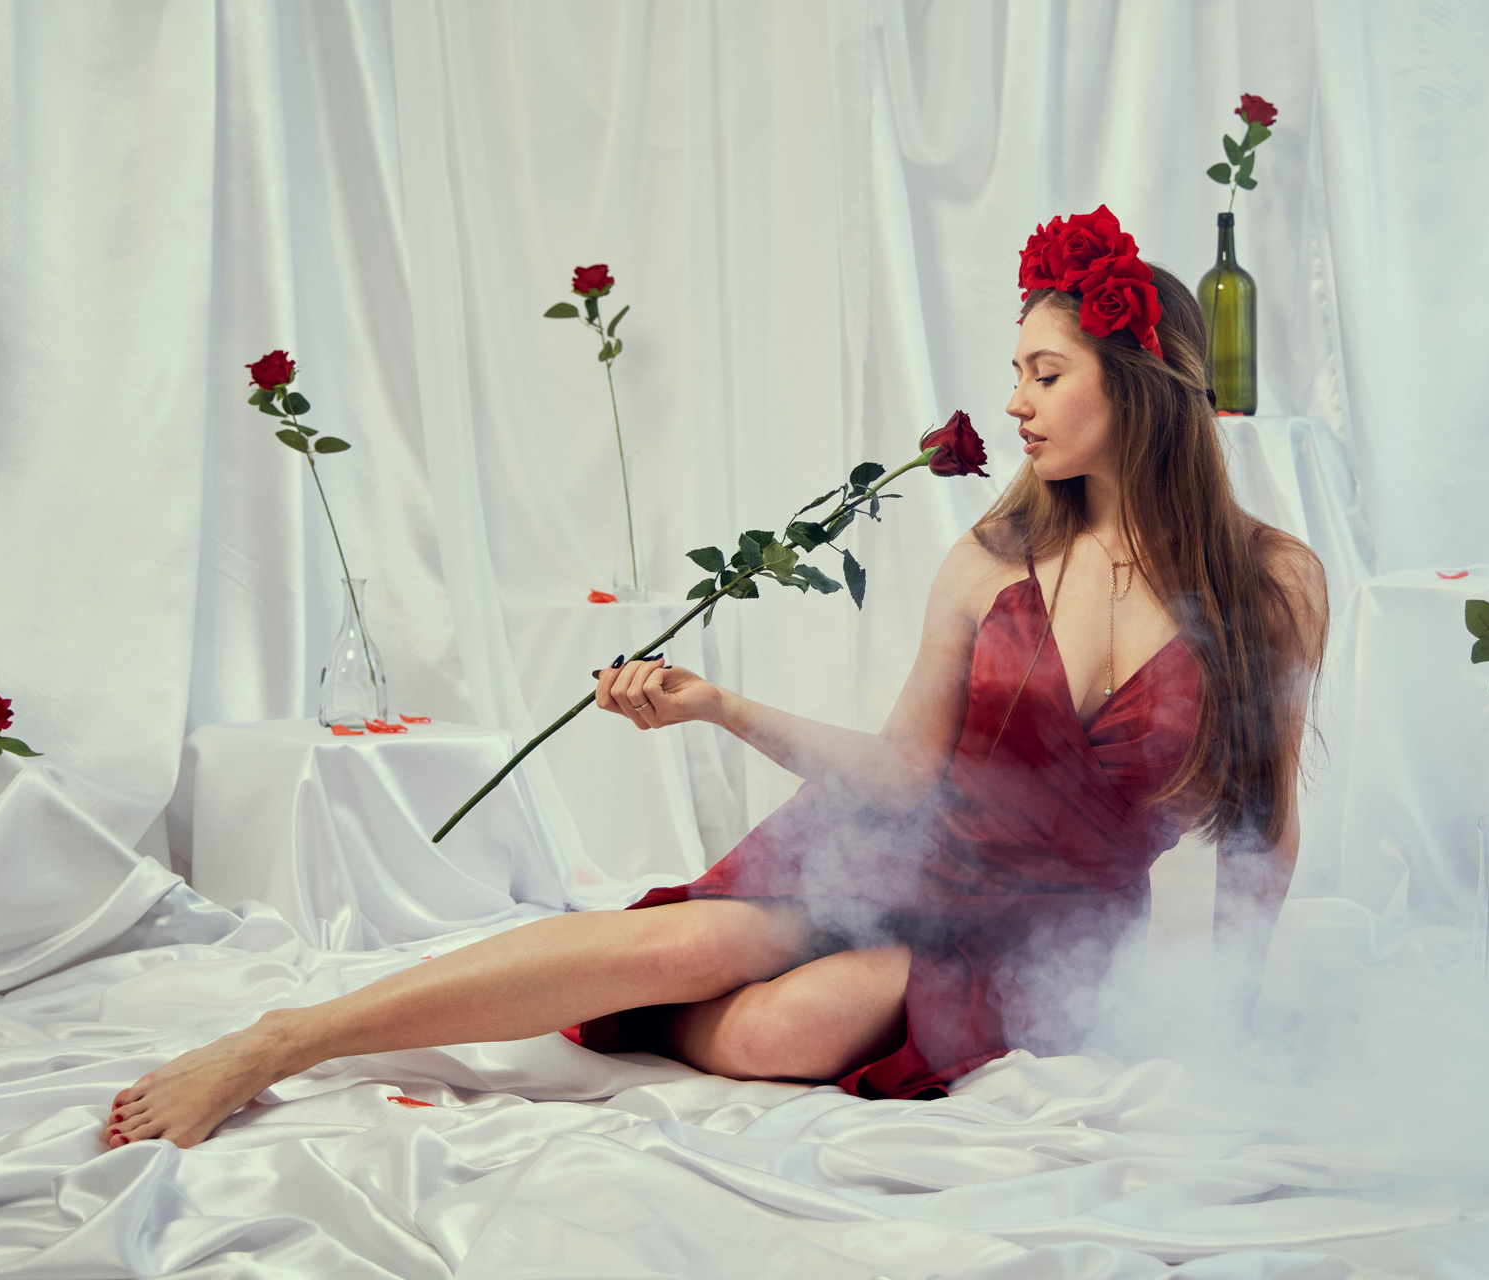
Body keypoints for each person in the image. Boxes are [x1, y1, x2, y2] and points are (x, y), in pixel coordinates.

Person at [101, 206, 1327, 1148]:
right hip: (901, 852)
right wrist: (721, 707)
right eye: (1015, 372)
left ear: (1144, 376)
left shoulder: (1273, 582)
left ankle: (653, 981)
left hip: (1057, 930)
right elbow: (905, 770)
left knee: (785, 1026)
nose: (1013, 402)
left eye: (1044, 373)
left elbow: (1261, 828)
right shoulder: (991, 559)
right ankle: (287, 1038)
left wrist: (1235, 1017)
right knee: (687, 945)